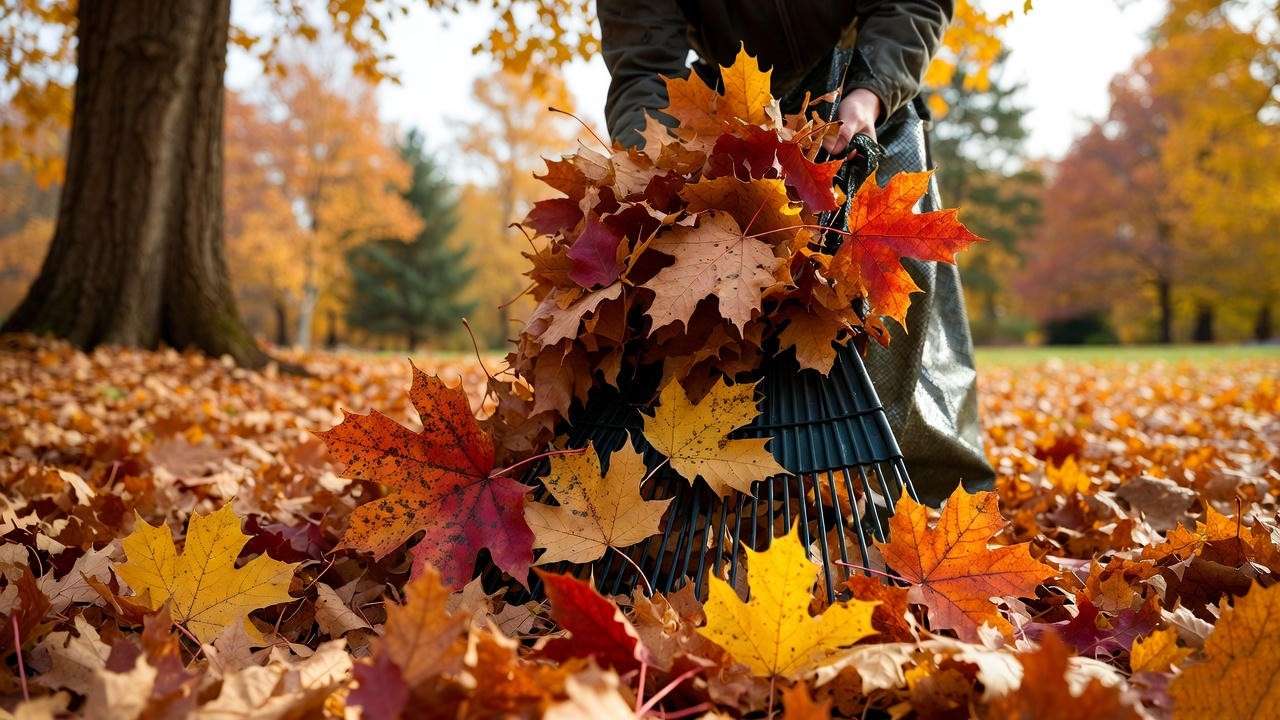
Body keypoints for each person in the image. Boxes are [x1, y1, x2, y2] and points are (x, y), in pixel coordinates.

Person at [597, 0, 995, 504]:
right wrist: (658, 165)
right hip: (728, 114)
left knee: (890, 297)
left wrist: (870, 95)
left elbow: (912, 4)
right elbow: (643, 65)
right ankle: (736, 486)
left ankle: (921, 492)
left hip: (858, 92)